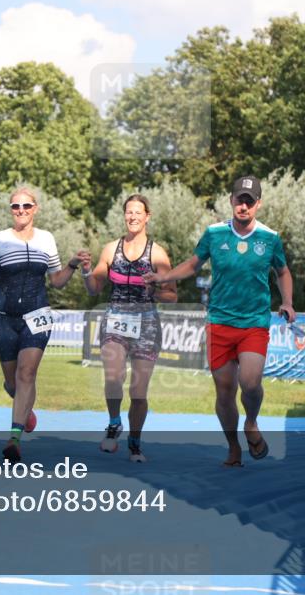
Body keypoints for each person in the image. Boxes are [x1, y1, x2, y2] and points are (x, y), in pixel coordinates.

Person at [143, 176, 295, 467]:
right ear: (231, 200)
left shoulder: (270, 238)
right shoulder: (214, 234)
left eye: (249, 201)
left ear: (258, 204)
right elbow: (193, 264)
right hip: (219, 323)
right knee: (224, 391)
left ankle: (251, 423)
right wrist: (163, 276)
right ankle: (233, 446)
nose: (244, 205)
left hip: (253, 322)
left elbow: (283, 272)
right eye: (240, 199)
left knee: (250, 383)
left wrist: (287, 301)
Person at [0, 187, 87, 463]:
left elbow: (57, 280)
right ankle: (25, 411)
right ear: (11, 210)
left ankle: (14, 438)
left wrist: (72, 265)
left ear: (35, 208)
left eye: (26, 206)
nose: (21, 210)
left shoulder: (47, 240)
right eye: (16, 206)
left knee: (27, 374)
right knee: (12, 382)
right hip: (2, 317)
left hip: (37, 315)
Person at [82, 194, 176, 462]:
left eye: (138, 212)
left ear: (148, 216)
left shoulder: (157, 254)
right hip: (115, 320)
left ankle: (135, 442)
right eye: (129, 212)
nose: (133, 216)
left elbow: (172, 296)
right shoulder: (111, 249)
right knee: (113, 377)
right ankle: (114, 422)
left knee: (138, 391)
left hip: (147, 325)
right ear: (124, 216)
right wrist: (87, 272)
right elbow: (94, 289)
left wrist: (154, 289)